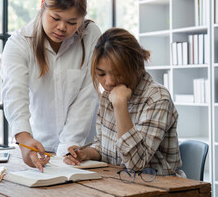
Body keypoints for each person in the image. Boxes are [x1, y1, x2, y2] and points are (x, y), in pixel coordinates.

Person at [1, 0, 101, 171]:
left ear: (82, 19)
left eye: (72, 22)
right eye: (55, 18)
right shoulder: (19, 43)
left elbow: (87, 95)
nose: (62, 27)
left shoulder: (90, 35)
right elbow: (15, 93)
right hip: (38, 149)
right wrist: (24, 139)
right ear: (42, 7)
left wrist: (68, 149)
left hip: (80, 152)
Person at [64, 28, 184, 177]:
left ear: (137, 67)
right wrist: (85, 154)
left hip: (159, 187)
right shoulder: (108, 95)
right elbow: (103, 147)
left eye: (117, 74)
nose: (108, 82)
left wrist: (120, 106)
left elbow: (135, 164)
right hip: (119, 182)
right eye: (101, 74)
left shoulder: (157, 98)